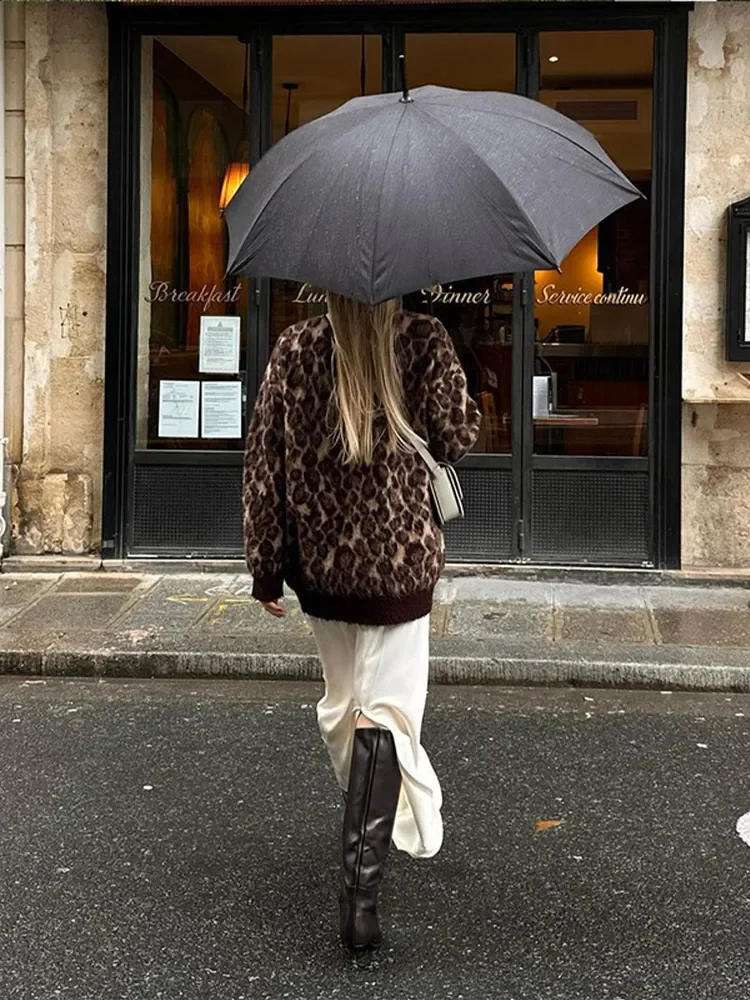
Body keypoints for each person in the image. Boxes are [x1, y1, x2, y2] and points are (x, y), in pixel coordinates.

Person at [242, 292, 481, 952]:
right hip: (400, 566)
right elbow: (459, 437)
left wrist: (266, 566)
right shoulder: (424, 339)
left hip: (324, 566)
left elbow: (264, 463)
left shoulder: (295, 348)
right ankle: (360, 894)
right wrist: (452, 355)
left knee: (347, 705)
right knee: (385, 712)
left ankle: (368, 828)